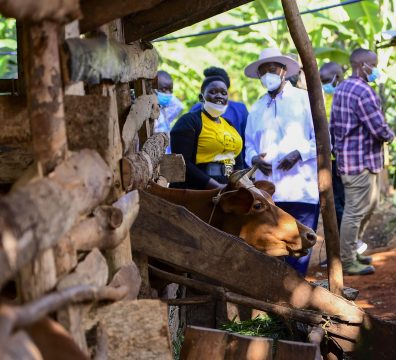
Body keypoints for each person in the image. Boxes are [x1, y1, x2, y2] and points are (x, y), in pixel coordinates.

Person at [244, 48, 320, 277]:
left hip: (300, 190)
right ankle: (276, 299)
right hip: (268, 194)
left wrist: (299, 153)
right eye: (263, 71)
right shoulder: (256, 108)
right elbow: (248, 145)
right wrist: (254, 158)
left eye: (272, 69)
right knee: (272, 248)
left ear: (284, 71)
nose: (268, 74)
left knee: (300, 246)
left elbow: (323, 140)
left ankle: (294, 297)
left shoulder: (305, 100)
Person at [330, 48, 395, 275]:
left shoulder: (342, 89)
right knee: (356, 211)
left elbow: (333, 126)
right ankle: (347, 260)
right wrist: (391, 135)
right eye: (373, 65)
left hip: (356, 160)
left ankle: (352, 250)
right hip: (360, 161)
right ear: (362, 66)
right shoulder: (362, 91)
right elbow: (378, 127)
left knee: (369, 207)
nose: (375, 70)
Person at [170, 74, 243, 189]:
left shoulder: (229, 125)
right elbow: (181, 163)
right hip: (197, 189)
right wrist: (216, 186)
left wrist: (236, 183)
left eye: (224, 93)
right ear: (201, 97)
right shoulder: (188, 121)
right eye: (213, 92)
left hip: (227, 187)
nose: (219, 96)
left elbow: (235, 162)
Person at [191, 67, 249, 167]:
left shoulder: (240, 110)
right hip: (202, 172)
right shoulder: (195, 110)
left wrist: (244, 173)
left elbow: (247, 142)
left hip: (235, 170)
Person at [154, 70, 184, 153]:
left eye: (171, 90)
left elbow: (179, 105)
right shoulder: (145, 112)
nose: (168, 94)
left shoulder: (164, 111)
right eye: (163, 89)